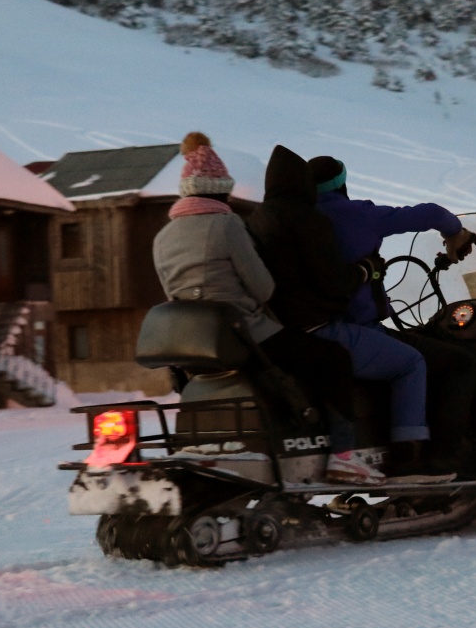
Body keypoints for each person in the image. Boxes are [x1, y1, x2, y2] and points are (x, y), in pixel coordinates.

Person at [151, 133, 373, 484]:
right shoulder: (227, 224)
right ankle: (343, 455)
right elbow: (263, 287)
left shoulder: (163, 237)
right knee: (333, 358)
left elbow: (173, 295)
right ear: (220, 191)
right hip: (243, 335)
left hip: (192, 348)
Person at [247, 145, 435, 483]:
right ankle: (409, 457)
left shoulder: (256, 220)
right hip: (318, 327)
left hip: (275, 330)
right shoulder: (308, 220)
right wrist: (366, 269)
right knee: (411, 362)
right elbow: (334, 283)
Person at [308, 154, 476, 478]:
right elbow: (431, 213)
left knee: (423, 348)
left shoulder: (301, 220)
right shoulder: (359, 215)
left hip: (324, 328)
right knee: (459, 362)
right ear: (342, 184)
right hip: (354, 330)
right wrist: (456, 234)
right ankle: (435, 459)